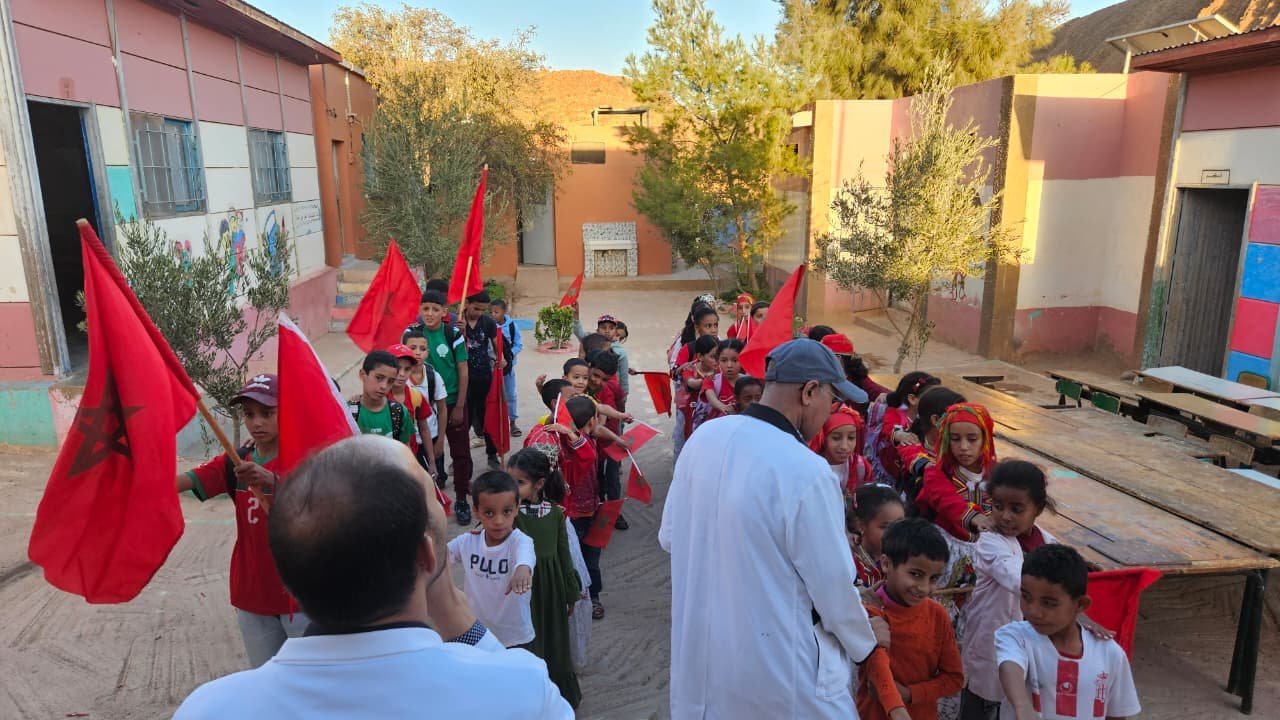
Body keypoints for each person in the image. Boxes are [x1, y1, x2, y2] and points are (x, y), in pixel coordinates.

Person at [173, 435, 573, 718]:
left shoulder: (211, 708)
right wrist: (450, 605)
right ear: (426, 555)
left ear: (288, 572)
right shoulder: (519, 689)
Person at [660, 338, 889, 719]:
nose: (830, 412)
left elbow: (670, 537)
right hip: (779, 676)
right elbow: (832, 587)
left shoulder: (704, 440)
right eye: (830, 400)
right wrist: (865, 642)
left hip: (703, 662)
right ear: (809, 391)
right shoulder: (807, 471)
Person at [177, 373, 305, 668]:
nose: (257, 422)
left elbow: (323, 502)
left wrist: (272, 481)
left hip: (302, 596)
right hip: (253, 594)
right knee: (265, 680)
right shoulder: (237, 461)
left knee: (309, 686)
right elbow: (186, 481)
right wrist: (133, 481)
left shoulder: (304, 456)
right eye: (249, 414)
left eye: (267, 413)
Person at [997, 545, 1141, 720]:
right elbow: (1010, 666)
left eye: (1048, 603)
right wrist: (1022, 707)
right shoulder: (1015, 636)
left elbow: (1116, 714)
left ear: (1080, 605)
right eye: (1026, 597)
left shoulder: (1110, 653)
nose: (1034, 611)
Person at [961, 460, 1057, 719]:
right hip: (990, 641)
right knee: (981, 703)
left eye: (1016, 509)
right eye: (998, 506)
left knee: (1018, 702)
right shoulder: (991, 542)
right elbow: (1015, 576)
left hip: (1031, 643)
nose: (1005, 516)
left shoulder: (1047, 542)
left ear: (1037, 509)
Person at [856, 518, 964, 720]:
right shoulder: (868, 610)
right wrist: (897, 707)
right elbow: (877, 667)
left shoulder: (937, 614)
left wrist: (910, 694)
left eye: (933, 578)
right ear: (887, 564)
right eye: (916, 574)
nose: (924, 588)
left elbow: (954, 678)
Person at [508, 448, 584, 708]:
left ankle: (559, 700)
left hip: (550, 590)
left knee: (554, 642)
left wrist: (570, 591)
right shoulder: (508, 514)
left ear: (539, 484)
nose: (513, 488)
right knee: (527, 643)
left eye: (520, 482)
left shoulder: (555, 514)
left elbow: (564, 555)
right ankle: (529, 702)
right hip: (522, 590)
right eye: (510, 481)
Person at [525, 393, 606, 620]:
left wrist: (566, 431)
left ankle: (590, 597)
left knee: (585, 559)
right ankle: (578, 597)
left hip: (584, 509)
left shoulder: (566, 441)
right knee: (574, 559)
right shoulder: (567, 444)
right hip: (569, 514)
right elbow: (588, 457)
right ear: (592, 421)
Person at [447, 471, 535, 648]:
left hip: (514, 636)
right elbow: (439, 557)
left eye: (507, 511)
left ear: (517, 508)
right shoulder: (467, 541)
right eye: (489, 513)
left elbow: (525, 559)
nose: (499, 521)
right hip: (477, 633)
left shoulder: (520, 542)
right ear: (476, 512)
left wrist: (522, 570)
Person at [415, 289, 473, 525]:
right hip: (422, 407)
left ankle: (461, 499)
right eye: (425, 308)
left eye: (435, 309)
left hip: (451, 402)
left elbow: (462, 369)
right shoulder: (412, 334)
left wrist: (460, 404)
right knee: (425, 454)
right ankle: (430, 499)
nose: (429, 314)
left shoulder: (453, 335)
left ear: (444, 312)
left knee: (461, 453)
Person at [866, 371, 941, 486]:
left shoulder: (930, 418)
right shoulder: (895, 413)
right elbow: (889, 428)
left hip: (911, 469)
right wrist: (901, 435)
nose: (936, 401)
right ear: (912, 399)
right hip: (889, 471)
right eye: (931, 397)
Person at [899, 386, 966, 505]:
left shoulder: (962, 447)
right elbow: (911, 454)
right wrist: (927, 465)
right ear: (935, 420)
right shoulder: (911, 440)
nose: (963, 422)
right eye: (956, 417)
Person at [460, 291, 503, 471]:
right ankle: (461, 460)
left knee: (488, 418)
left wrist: (502, 359)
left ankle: (492, 455)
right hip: (463, 381)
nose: (479, 312)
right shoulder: (456, 323)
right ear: (467, 303)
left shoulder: (488, 323)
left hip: (484, 378)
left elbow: (497, 345)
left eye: (483, 310)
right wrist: (460, 332)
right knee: (463, 422)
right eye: (476, 308)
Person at [402, 328, 449, 482]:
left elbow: (442, 410)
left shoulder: (433, 377)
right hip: (407, 440)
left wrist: (441, 440)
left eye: (422, 349)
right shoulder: (398, 379)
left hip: (432, 436)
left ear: (428, 352)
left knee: (436, 479)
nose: (417, 353)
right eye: (412, 348)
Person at [387, 344, 437, 477]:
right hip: (385, 461)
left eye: (407, 369)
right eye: (397, 368)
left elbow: (424, 429)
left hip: (411, 457)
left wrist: (431, 462)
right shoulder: (378, 396)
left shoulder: (416, 396)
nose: (402, 374)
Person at [846, 484, 906, 589]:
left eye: (900, 525)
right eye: (885, 527)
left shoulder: (899, 556)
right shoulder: (849, 565)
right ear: (860, 525)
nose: (896, 532)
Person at [349, 350, 414, 446]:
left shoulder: (399, 412)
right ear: (363, 374)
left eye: (390, 381)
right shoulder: (348, 412)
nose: (384, 386)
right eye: (379, 378)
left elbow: (405, 448)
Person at [809, 403, 874, 494]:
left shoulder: (862, 468)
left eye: (851, 438)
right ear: (822, 438)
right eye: (836, 438)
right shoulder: (810, 467)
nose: (844, 446)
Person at [692, 337, 745, 431]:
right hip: (715, 431)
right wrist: (722, 406)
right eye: (724, 360)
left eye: (735, 360)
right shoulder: (712, 380)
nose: (729, 365)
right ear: (718, 361)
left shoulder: (747, 382)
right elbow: (710, 395)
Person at [675, 334, 719, 446]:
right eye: (713, 357)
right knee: (688, 443)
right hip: (691, 415)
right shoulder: (690, 368)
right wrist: (707, 381)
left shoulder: (720, 369)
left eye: (719, 357)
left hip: (713, 416)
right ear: (700, 356)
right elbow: (691, 383)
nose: (717, 361)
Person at [490, 298, 524, 437]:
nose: (493, 315)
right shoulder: (488, 326)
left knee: (510, 395)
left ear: (504, 312)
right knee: (493, 396)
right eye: (491, 312)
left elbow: (518, 344)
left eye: (496, 312)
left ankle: (513, 422)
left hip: (508, 369)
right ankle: (497, 424)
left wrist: (509, 355)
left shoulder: (511, 326)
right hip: (492, 368)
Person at [610, 320, 630, 399]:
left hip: (613, 390)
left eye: (621, 338)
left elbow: (624, 378)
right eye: (617, 334)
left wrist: (624, 396)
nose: (618, 339)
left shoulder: (621, 353)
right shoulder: (595, 343)